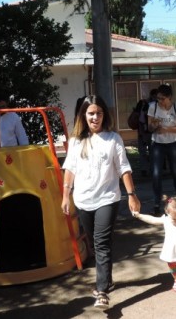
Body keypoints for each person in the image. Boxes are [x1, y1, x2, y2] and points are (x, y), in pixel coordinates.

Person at [60, 95, 141, 309]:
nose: (95, 117)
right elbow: (70, 169)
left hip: (107, 198)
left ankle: (102, 291)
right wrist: (65, 195)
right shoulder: (77, 141)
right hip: (83, 199)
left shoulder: (113, 139)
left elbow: (123, 168)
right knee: (95, 245)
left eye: (99, 113)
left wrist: (132, 195)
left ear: (104, 115)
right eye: (91, 113)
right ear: (84, 115)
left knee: (102, 243)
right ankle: (107, 279)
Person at [132, 197, 176, 308]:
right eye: (175, 219)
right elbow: (152, 219)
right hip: (171, 253)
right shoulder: (166, 220)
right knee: (174, 272)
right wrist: (138, 215)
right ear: (167, 213)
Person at [148, 84, 176, 215]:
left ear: (170, 97)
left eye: (162, 99)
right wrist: (154, 125)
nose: (160, 101)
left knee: (175, 171)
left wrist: (166, 129)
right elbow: (149, 128)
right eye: (158, 98)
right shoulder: (153, 107)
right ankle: (157, 201)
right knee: (156, 173)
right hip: (158, 144)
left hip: (173, 143)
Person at [135, 89, 158, 177]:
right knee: (151, 151)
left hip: (144, 131)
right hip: (148, 132)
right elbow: (141, 119)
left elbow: (140, 119)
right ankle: (150, 169)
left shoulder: (144, 104)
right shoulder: (152, 105)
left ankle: (144, 169)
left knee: (143, 151)